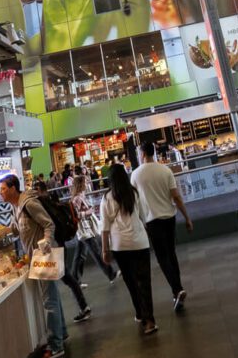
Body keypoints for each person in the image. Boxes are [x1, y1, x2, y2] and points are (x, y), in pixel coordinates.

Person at [0, 174, 67, 358]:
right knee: (51, 297)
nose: (1, 193)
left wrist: (46, 242)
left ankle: (56, 345)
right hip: (35, 257)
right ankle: (61, 334)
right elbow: (17, 230)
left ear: (13, 188)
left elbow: (48, 223)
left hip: (43, 256)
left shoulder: (28, 203)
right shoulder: (16, 207)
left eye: (3, 189)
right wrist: (0, 231)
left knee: (49, 300)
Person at [131, 141, 192, 312]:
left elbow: (134, 203)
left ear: (142, 154)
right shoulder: (165, 170)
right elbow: (177, 197)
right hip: (169, 217)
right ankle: (177, 291)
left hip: (152, 221)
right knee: (171, 254)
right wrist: (187, 217)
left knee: (162, 257)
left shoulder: (135, 175)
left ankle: (177, 289)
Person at [100, 163, 156, 335]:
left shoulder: (107, 198)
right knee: (144, 281)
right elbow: (143, 215)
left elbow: (105, 228)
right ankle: (150, 320)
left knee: (131, 282)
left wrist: (105, 250)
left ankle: (140, 313)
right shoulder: (133, 192)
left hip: (120, 246)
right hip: (139, 242)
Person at [35, 181, 92, 324]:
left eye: (36, 190)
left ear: (40, 190)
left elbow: (49, 226)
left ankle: (83, 307)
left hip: (54, 246)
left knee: (66, 277)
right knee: (66, 276)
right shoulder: (52, 201)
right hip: (60, 244)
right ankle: (83, 306)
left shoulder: (43, 204)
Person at [71, 174, 117, 285]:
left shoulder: (81, 196)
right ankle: (110, 273)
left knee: (80, 254)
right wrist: (88, 212)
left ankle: (75, 279)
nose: (88, 184)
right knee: (95, 252)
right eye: (86, 182)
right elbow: (76, 214)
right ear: (81, 184)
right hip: (85, 230)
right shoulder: (77, 198)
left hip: (84, 230)